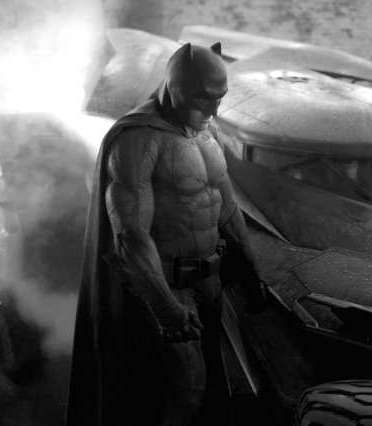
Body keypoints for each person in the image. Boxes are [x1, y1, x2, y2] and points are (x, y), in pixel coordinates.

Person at [67, 41, 266, 426]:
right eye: (204, 98)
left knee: (212, 390)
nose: (214, 109)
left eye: (219, 98)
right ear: (175, 89)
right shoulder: (138, 139)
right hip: (170, 285)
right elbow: (130, 236)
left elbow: (225, 206)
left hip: (209, 280)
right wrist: (165, 307)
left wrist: (250, 267)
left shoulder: (205, 132)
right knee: (185, 391)